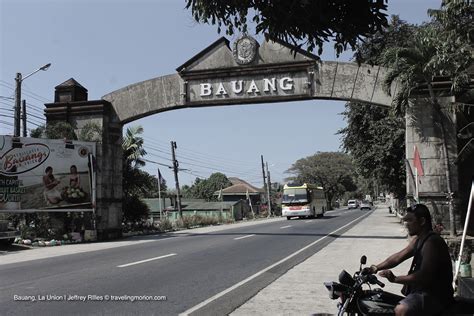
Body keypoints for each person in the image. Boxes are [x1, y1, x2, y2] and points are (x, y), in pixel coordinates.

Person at [368, 203, 453, 316]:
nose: (406, 224)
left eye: (410, 221)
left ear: (422, 221)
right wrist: (376, 267)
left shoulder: (432, 242)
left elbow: (424, 275)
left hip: (435, 295)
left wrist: (395, 279)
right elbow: (398, 257)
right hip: (422, 291)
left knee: (401, 309)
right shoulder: (418, 240)